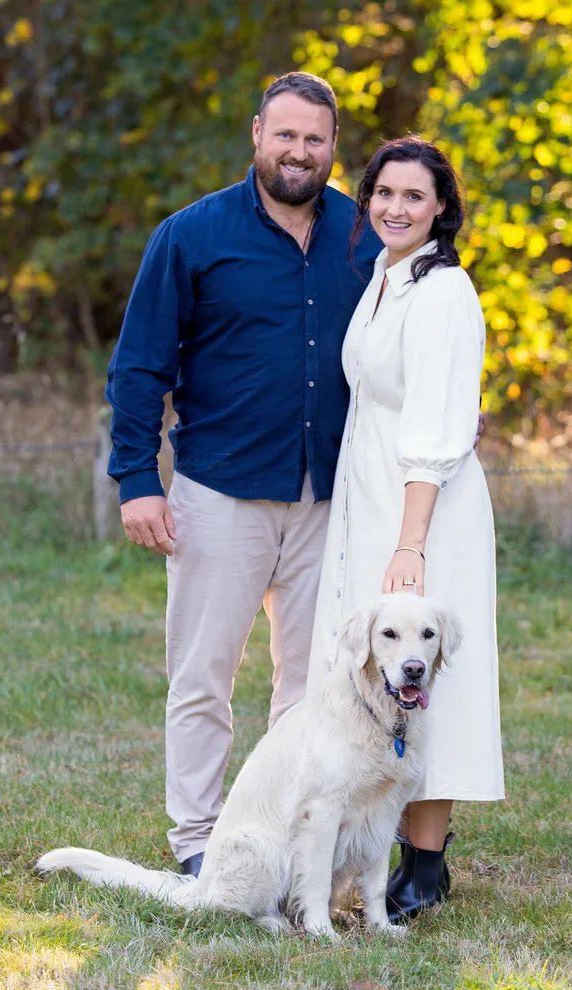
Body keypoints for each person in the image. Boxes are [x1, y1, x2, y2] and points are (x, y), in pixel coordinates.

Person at [105, 72, 381, 877]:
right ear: (257, 132)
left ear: (334, 147)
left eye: (316, 139)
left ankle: (294, 841)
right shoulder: (191, 235)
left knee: (312, 686)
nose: (300, 152)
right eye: (286, 134)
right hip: (219, 490)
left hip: (330, 497)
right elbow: (138, 368)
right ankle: (197, 841)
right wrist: (136, 478)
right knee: (202, 677)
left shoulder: (364, 237)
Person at [307, 137, 504, 921]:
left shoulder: (444, 290)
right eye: (382, 193)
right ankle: (372, 849)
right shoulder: (388, 278)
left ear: (442, 209)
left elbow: (434, 423)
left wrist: (410, 541)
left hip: (424, 510)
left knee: (429, 671)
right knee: (376, 674)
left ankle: (426, 865)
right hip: (374, 501)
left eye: (413, 196)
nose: (394, 207)